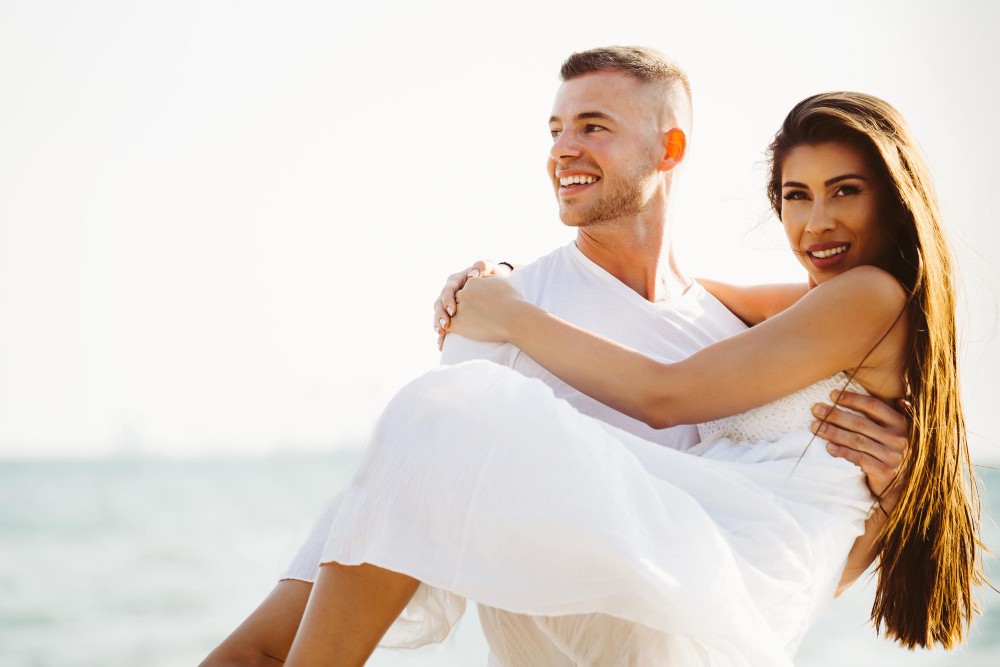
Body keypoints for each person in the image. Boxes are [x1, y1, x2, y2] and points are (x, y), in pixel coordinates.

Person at [200, 48, 928, 667]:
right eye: (555, 128)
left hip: (711, 622)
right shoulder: (503, 334)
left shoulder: (739, 331)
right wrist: (503, 290)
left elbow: (764, 552)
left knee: (442, 414)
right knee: (442, 411)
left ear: (669, 149)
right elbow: (390, 511)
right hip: (661, 617)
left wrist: (903, 486)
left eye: (594, 126)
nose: (563, 148)